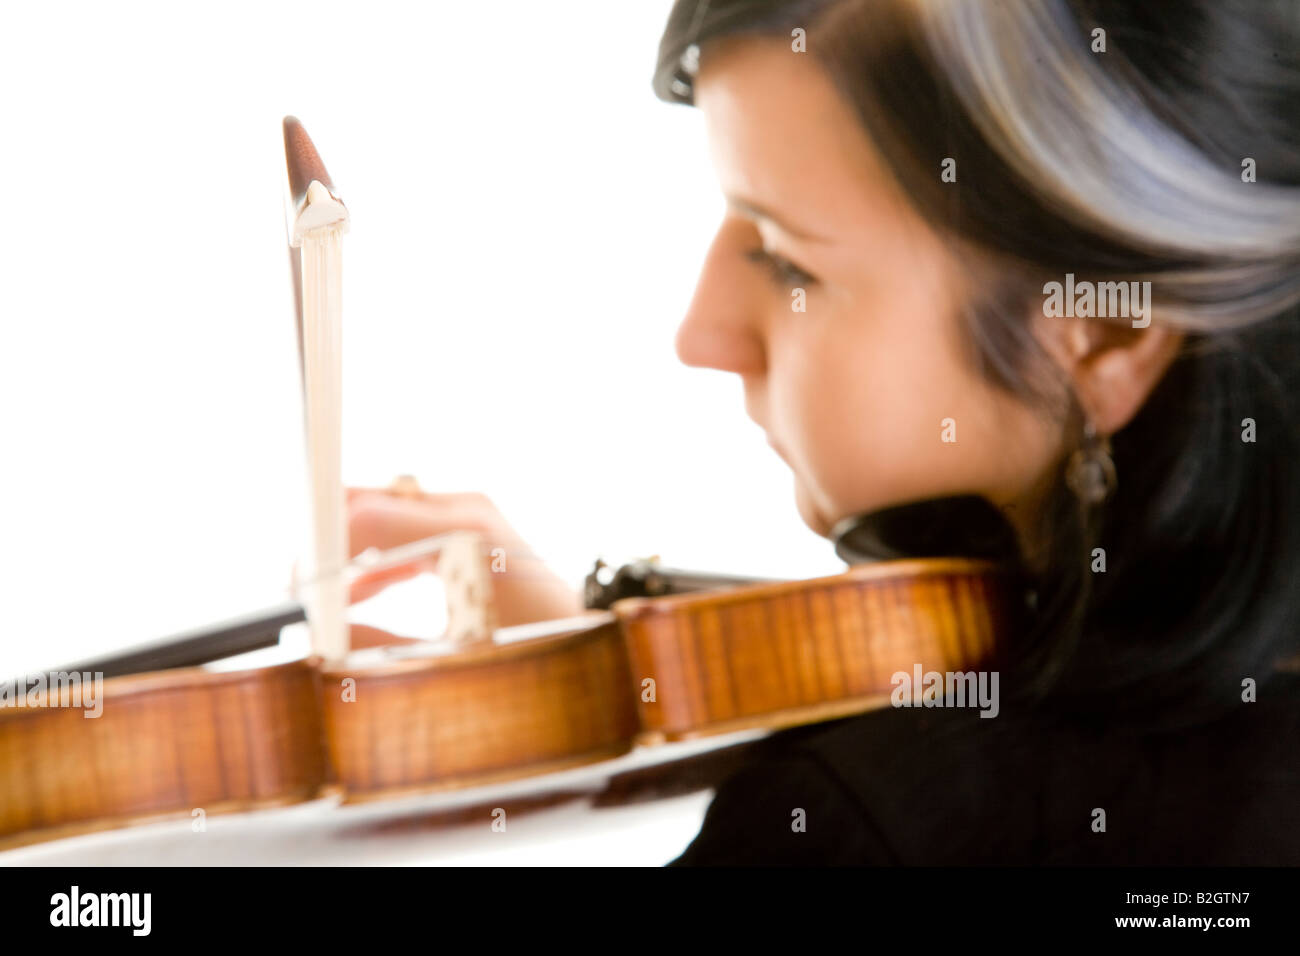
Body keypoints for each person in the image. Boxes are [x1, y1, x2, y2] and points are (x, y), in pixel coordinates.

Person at [346, 0, 1300, 864]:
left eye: (786, 260)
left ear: (1104, 329)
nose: (699, 334)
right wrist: (600, 681)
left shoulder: (864, 830)